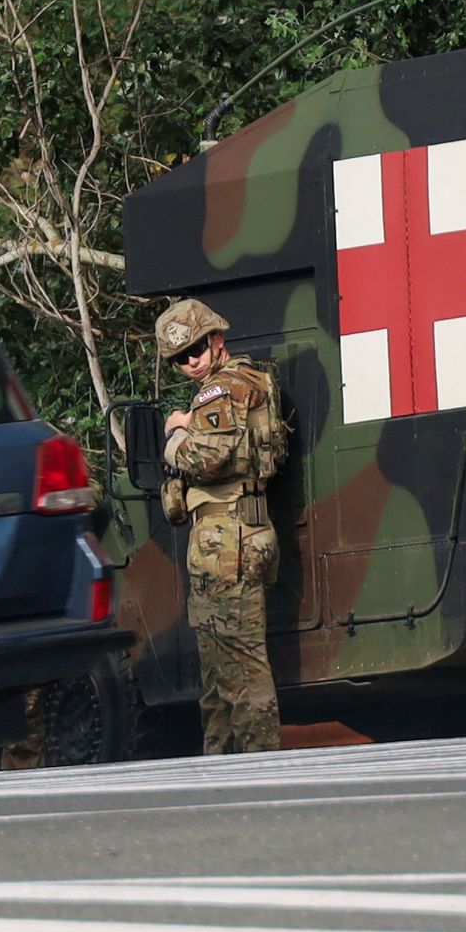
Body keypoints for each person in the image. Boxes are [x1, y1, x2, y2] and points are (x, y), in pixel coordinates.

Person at [154, 298, 289, 755]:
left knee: (239, 666)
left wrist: (175, 434)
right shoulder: (242, 382)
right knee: (218, 673)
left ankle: (257, 770)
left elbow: (204, 458)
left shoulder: (223, 389)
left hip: (227, 539)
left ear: (216, 340)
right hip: (231, 536)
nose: (189, 362)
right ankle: (224, 770)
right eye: (179, 358)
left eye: (194, 349)